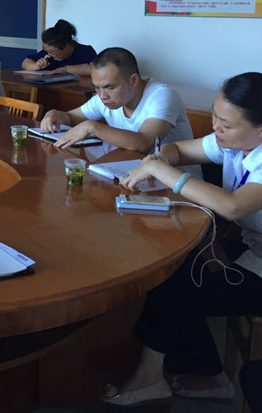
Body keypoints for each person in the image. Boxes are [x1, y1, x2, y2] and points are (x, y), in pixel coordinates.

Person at [101, 72, 262, 406]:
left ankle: (152, 377)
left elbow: (233, 206)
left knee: (179, 285)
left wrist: (163, 172)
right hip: (249, 247)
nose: (216, 128)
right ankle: (208, 374)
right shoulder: (233, 142)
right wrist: (162, 158)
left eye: (226, 124)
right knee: (174, 266)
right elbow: (177, 149)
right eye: (215, 117)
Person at [40, 47, 194, 153]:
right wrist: (53, 114)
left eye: (110, 87)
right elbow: (70, 118)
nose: (102, 95)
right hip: (130, 174)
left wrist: (92, 127)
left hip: (176, 184)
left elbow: (144, 143)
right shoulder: (104, 98)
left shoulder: (162, 96)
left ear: (133, 80)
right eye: (97, 87)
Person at [21, 19, 96, 76]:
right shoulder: (48, 54)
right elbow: (25, 63)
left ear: (66, 45)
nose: (49, 54)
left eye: (52, 51)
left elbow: (95, 70)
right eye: (46, 50)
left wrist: (66, 69)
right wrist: (37, 65)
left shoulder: (85, 51)